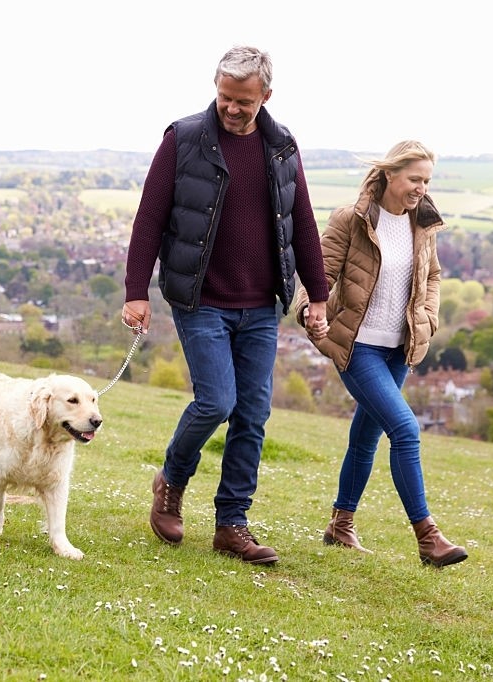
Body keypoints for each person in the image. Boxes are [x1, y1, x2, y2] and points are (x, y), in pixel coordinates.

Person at [121, 45, 329, 565]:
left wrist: (318, 296)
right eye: (225, 98)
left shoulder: (281, 146)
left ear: (266, 95)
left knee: (253, 413)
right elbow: (149, 218)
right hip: (201, 299)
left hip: (260, 304)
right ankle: (171, 481)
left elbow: (301, 223)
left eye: (244, 101)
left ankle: (232, 524)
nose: (232, 109)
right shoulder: (184, 138)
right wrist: (135, 291)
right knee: (217, 402)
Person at [293, 140, 468, 568]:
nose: (421, 189)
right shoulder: (350, 220)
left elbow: (432, 276)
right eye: (414, 179)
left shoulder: (422, 224)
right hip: (358, 346)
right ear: (390, 174)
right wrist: (307, 310)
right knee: (406, 430)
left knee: (366, 437)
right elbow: (321, 273)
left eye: (426, 181)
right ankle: (428, 537)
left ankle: (340, 524)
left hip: (398, 350)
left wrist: (427, 318)